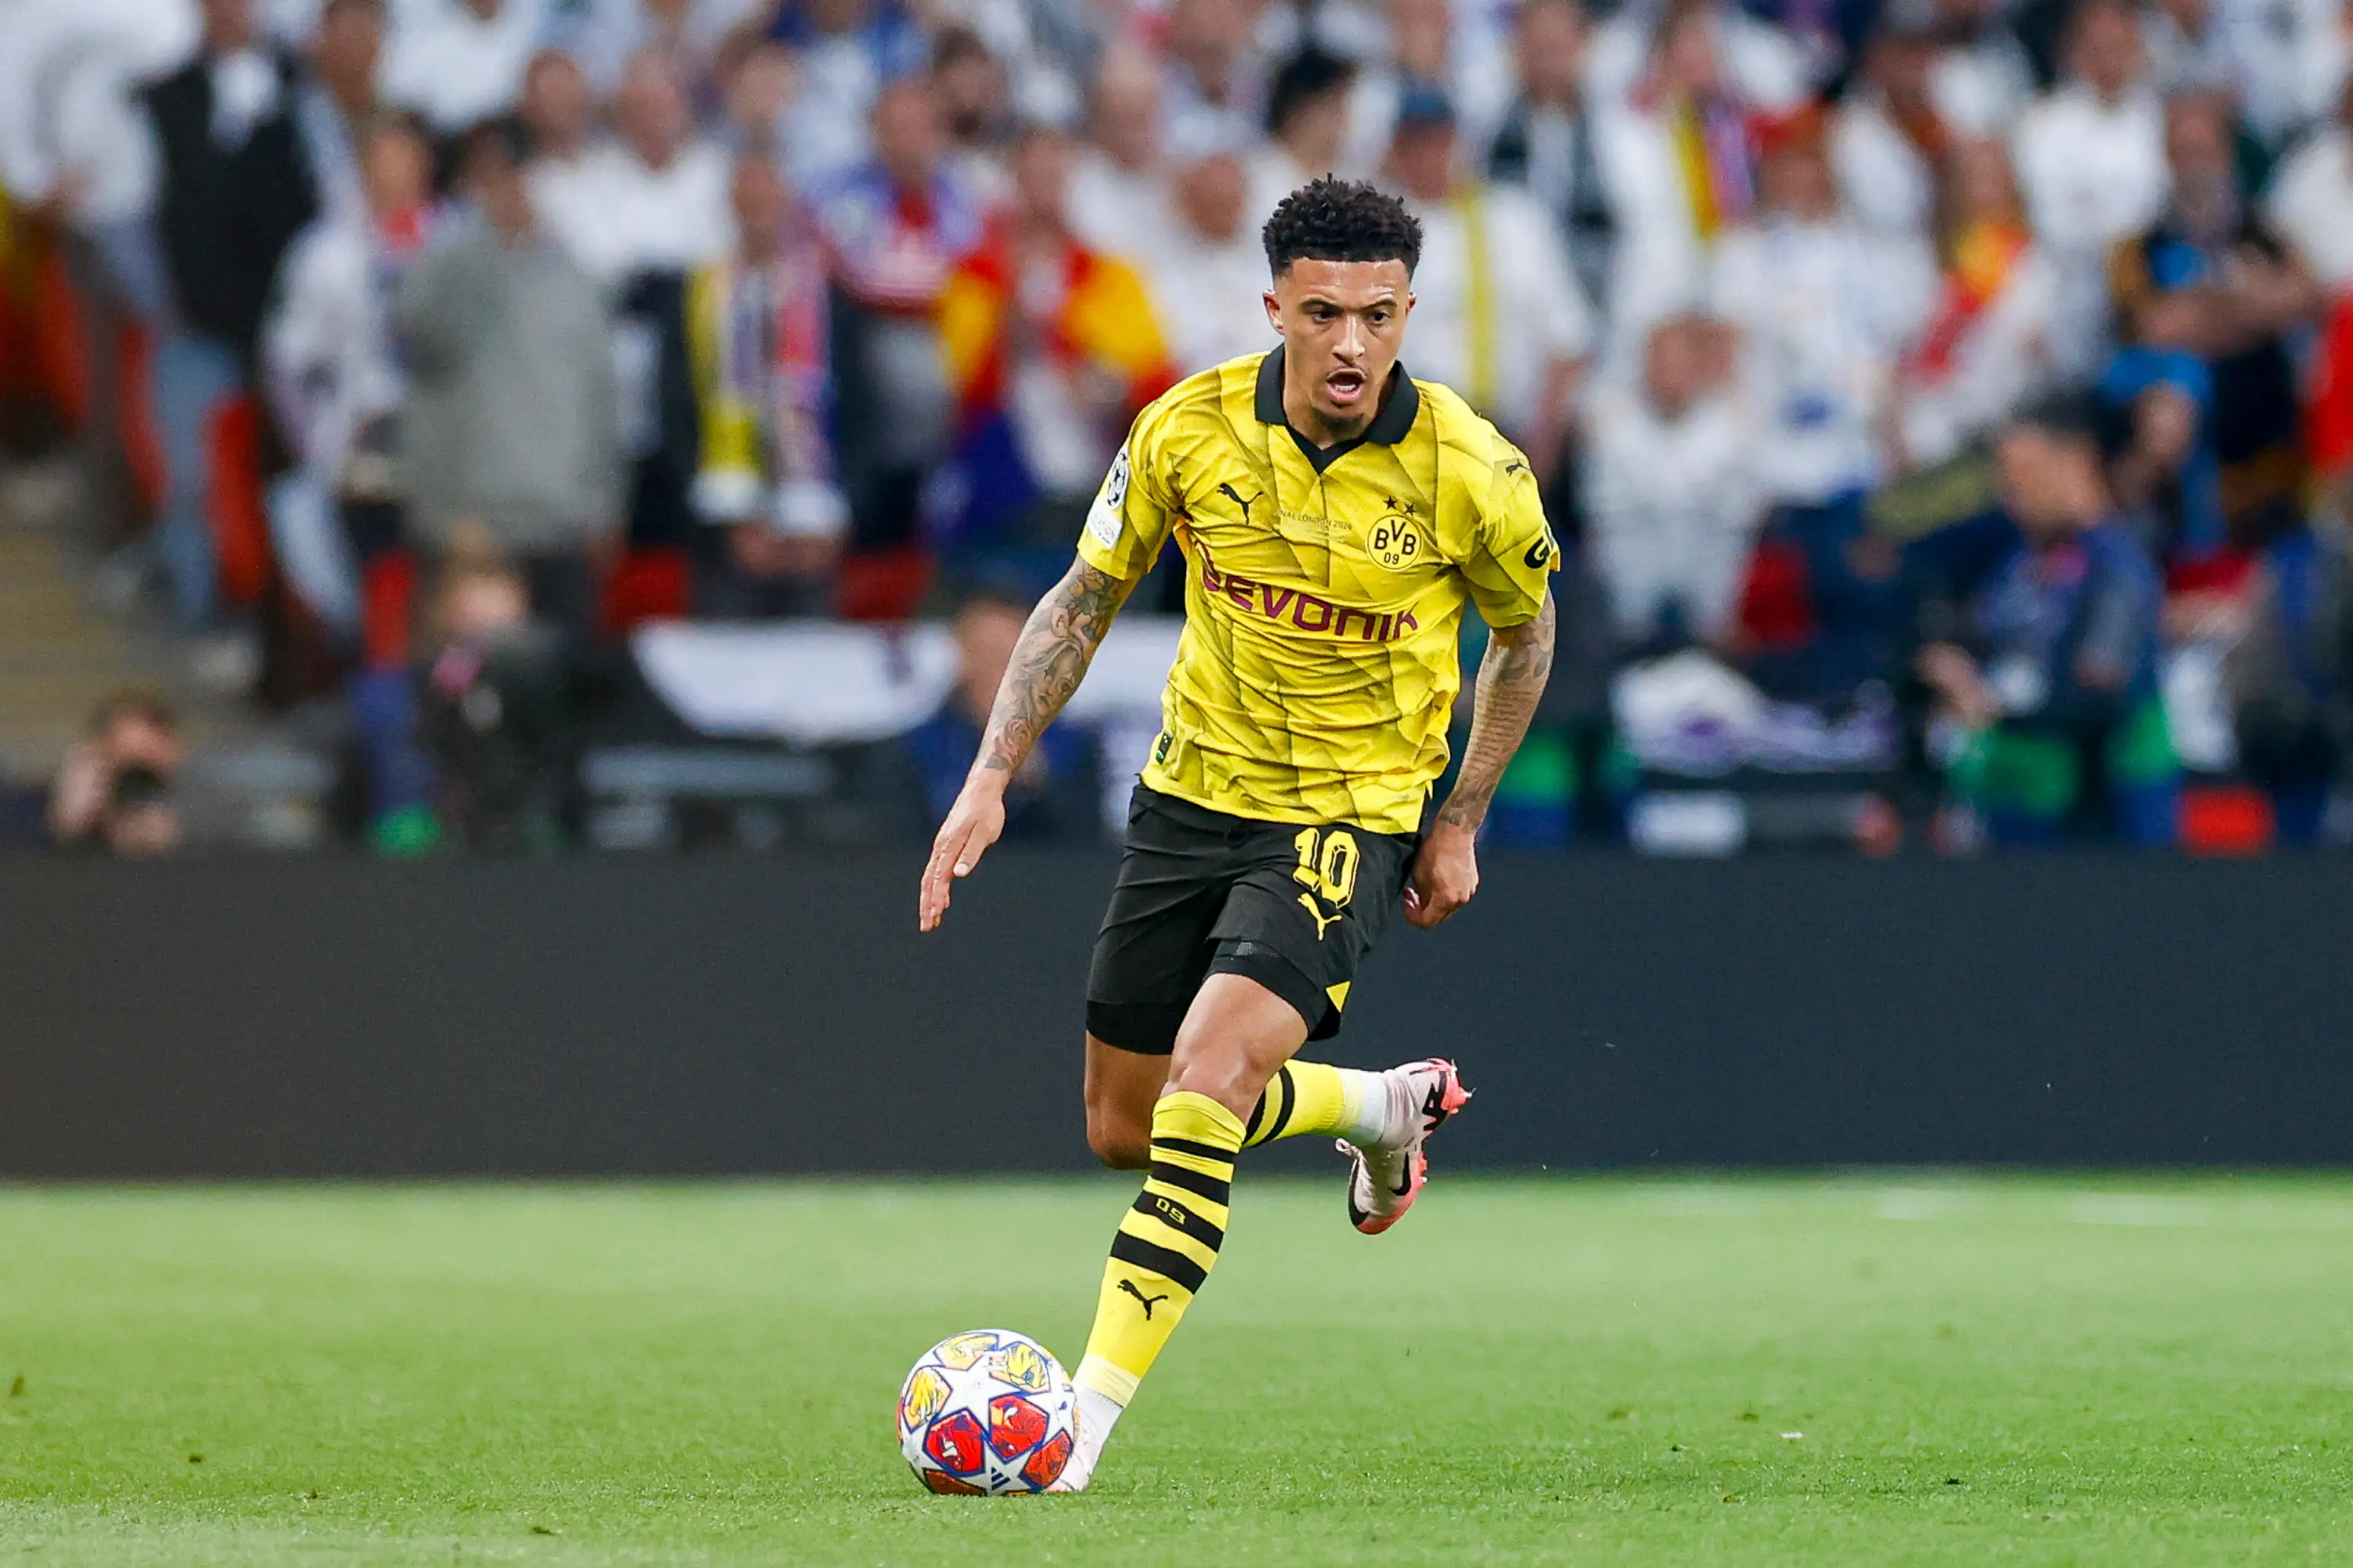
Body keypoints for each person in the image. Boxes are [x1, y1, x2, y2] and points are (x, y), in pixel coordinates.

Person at [917, 177, 1558, 1491]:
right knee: (1126, 1125)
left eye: (1377, 315)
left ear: (1407, 313)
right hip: (1191, 800)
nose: (1350, 344)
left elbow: (1529, 630)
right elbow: (1086, 594)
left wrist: (1463, 814)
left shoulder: (1471, 471)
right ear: (1274, 307)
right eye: (1322, 312)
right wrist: (990, 774)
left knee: (1205, 1081)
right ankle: (1376, 1105)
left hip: (1348, 818)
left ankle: (1074, 1430)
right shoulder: (1186, 429)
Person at [47, 689, 186, 856]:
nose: (135, 774)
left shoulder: (203, 788)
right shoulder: (93, 777)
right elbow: (69, 827)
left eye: (145, 752)